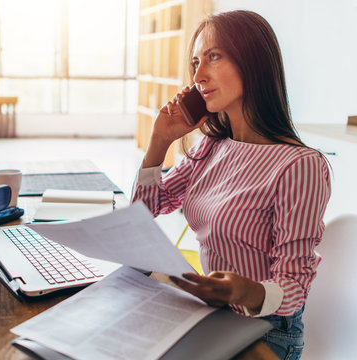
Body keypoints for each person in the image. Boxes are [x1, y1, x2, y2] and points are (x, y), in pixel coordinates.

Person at [131, 10, 331, 360]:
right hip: (214, 316)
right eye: (195, 62)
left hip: (266, 333)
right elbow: (143, 214)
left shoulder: (300, 166)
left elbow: (294, 288)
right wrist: (158, 143)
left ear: (253, 63)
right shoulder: (212, 146)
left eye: (213, 56)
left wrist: (244, 291)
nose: (198, 76)